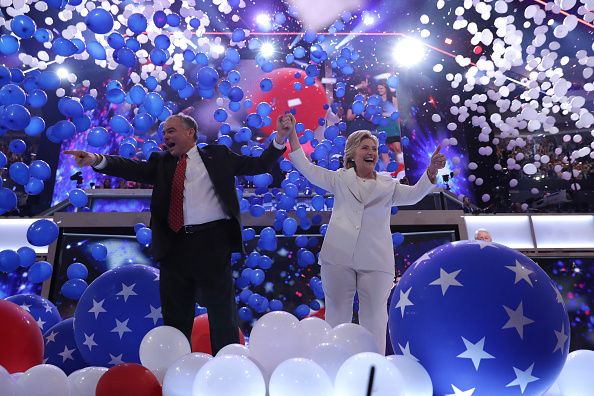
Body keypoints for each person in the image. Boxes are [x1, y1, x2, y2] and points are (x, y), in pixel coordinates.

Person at [65, 113, 289, 354]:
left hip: (212, 243)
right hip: (173, 244)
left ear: (190, 132)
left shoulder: (219, 156)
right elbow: (132, 168)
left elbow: (259, 165)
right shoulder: (161, 162)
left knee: (222, 312)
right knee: (176, 315)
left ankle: (227, 365)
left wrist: (281, 137)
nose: (166, 136)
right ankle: (175, 367)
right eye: (164, 132)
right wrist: (95, 159)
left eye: (171, 131)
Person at [281, 114, 446, 353]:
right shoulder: (339, 179)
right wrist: (292, 133)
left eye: (375, 149)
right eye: (365, 148)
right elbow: (306, 167)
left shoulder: (388, 185)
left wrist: (431, 171)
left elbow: (414, 195)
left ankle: (374, 370)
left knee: (375, 320)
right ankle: (336, 365)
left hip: (376, 260)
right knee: (337, 317)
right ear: (351, 154)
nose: (372, 152)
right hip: (338, 258)